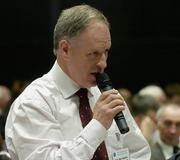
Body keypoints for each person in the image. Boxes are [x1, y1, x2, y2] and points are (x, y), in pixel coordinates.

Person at [5, 4, 151, 160]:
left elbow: (139, 152)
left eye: (106, 52)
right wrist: (97, 126)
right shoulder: (34, 102)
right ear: (65, 49)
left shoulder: (106, 95)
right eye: (94, 53)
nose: (103, 63)